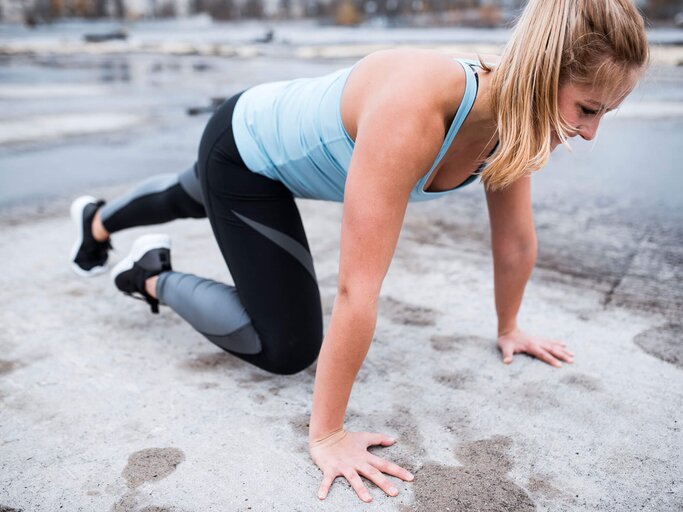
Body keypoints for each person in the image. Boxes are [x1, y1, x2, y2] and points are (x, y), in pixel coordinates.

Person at [69, 0, 649, 503]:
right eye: (587, 110)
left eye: (605, 113)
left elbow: (515, 240)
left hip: (272, 138)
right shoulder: (417, 109)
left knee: (195, 190)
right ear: (543, 73)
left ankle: (96, 223)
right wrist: (326, 435)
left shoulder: (517, 124)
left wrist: (510, 325)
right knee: (287, 345)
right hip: (245, 148)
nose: (591, 133)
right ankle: (149, 274)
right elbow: (357, 288)